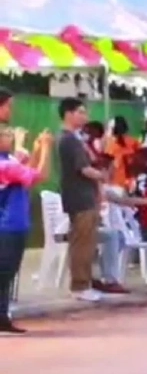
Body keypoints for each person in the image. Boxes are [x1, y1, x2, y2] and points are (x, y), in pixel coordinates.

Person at [0, 123, 51, 334]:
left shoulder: (7, 162)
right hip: (8, 226)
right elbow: (40, 175)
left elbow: (25, 172)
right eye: (5, 135)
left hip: (13, 224)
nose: (9, 137)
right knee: (4, 273)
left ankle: (2, 316)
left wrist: (36, 150)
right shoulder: (4, 166)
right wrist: (46, 148)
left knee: (6, 274)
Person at [56, 98, 106, 303]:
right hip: (80, 197)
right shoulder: (69, 140)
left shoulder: (74, 138)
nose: (85, 117)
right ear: (69, 114)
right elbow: (83, 168)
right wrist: (101, 175)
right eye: (81, 112)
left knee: (87, 241)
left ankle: (85, 283)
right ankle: (79, 285)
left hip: (85, 196)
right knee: (82, 243)